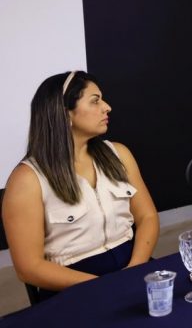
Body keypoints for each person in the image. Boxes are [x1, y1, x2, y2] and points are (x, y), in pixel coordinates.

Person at [2, 71, 159, 298]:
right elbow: (29, 267)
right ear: (64, 113)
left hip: (133, 268)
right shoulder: (26, 180)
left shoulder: (119, 154)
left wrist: (135, 269)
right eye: (95, 101)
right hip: (72, 287)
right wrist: (103, 286)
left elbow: (148, 217)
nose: (107, 107)